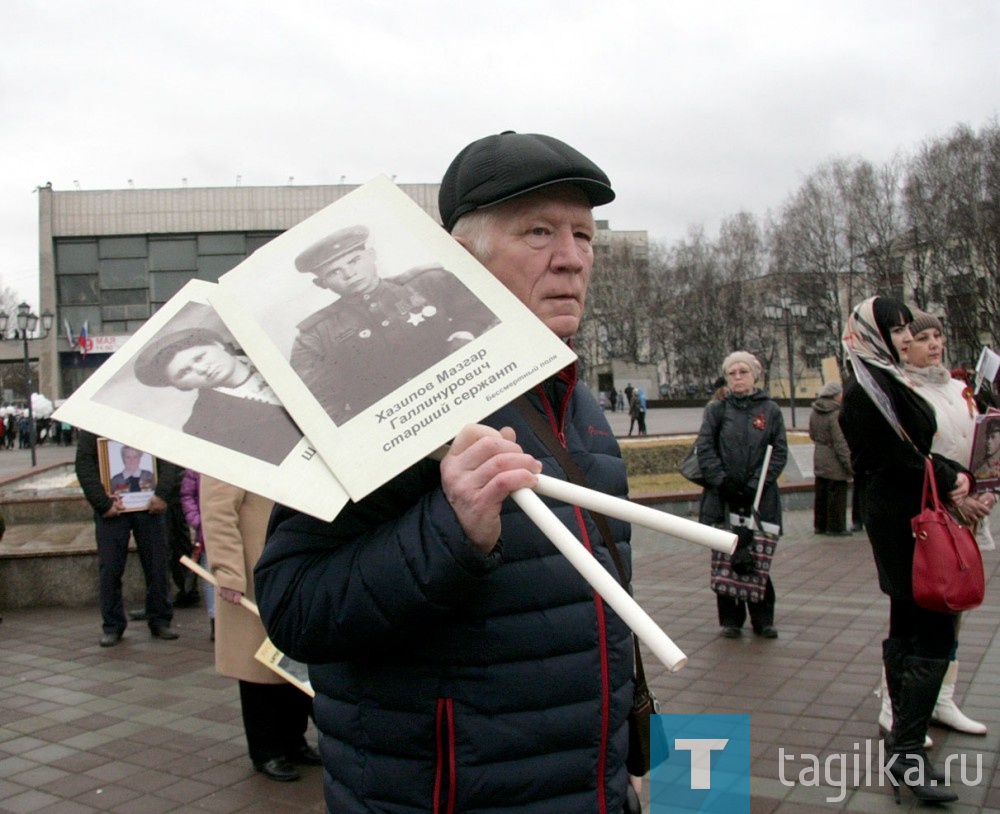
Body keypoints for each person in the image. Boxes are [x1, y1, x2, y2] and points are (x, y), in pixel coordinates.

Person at [255, 131, 638, 813]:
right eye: (539, 233)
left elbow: (594, 615)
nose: (571, 261)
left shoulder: (580, 406)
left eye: (584, 236)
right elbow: (295, 604)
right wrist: (450, 529)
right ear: (463, 259)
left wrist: (631, 767)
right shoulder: (390, 409)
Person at [839, 296, 972, 804]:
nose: (901, 337)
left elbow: (916, 450)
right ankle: (909, 750)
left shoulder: (887, 378)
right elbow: (891, 459)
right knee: (931, 627)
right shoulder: (863, 388)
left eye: (903, 329)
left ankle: (904, 748)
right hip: (901, 519)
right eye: (892, 329)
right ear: (869, 332)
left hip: (912, 512)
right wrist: (949, 474)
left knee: (912, 624)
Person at [888, 310, 995, 739]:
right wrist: (957, 494)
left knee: (956, 606)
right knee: (916, 613)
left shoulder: (961, 389)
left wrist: (986, 490)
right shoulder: (900, 390)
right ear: (904, 346)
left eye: (938, 335)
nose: (933, 343)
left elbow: (982, 445)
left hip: (968, 508)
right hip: (927, 514)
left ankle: (941, 697)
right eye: (922, 336)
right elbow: (912, 456)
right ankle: (895, 703)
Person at [289, 224, 500, 425]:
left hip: (476, 400)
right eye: (334, 272)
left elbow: (489, 306)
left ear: (371, 255)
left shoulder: (427, 281)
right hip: (401, 431)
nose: (349, 274)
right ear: (321, 284)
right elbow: (319, 407)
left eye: (354, 260)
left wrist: (465, 332)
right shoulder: (315, 336)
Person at [200, 474, 318, 782]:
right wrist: (227, 571)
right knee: (257, 672)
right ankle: (266, 751)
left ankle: (294, 742)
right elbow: (218, 510)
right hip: (252, 576)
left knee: (291, 665)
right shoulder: (228, 443)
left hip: (286, 568)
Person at [695, 350, 787, 639]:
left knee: (757, 556)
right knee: (726, 555)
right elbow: (705, 448)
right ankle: (730, 620)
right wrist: (723, 482)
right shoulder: (717, 410)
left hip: (759, 499)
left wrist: (755, 484)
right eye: (732, 373)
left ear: (754, 375)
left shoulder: (770, 410)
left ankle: (763, 618)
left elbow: (779, 451)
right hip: (723, 498)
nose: (737, 378)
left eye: (743, 372)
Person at [134, 327, 301, 466]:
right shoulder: (202, 428)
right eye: (184, 372)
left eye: (200, 357)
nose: (201, 369)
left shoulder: (283, 352)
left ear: (217, 344)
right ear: (180, 386)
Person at [75, 431, 179, 646]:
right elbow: (84, 465)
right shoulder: (93, 422)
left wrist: (162, 494)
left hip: (150, 507)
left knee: (157, 565)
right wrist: (103, 504)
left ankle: (160, 619)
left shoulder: (148, 416)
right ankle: (112, 625)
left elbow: (169, 457)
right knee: (110, 568)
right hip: (112, 509)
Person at [808, 381, 853, 536]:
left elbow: (812, 434)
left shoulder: (815, 411)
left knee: (821, 492)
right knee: (837, 494)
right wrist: (849, 464)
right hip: (834, 459)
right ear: (835, 395)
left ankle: (820, 525)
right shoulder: (835, 415)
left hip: (819, 455)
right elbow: (840, 442)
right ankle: (836, 527)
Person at [180, 468, 215, 640]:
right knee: (209, 578)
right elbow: (187, 496)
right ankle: (214, 620)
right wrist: (197, 521)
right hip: (206, 533)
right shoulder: (195, 468)